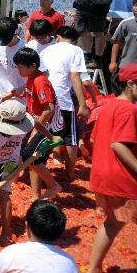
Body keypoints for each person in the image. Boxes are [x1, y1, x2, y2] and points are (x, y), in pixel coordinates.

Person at [87, 64, 137, 273]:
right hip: (124, 179)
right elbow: (118, 144)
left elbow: (93, 138)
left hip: (102, 176)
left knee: (112, 222)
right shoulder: (130, 110)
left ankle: (93, 268)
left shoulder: (108, 105)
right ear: (130, 85)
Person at [5, 47, 64, 199]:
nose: (18, 69)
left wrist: (37, 130)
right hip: (35, 122)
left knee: (30, 154)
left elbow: (49, 109)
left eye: (20, 66)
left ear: (32, 66)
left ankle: (53, 185)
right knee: (32, 157)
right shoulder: (31, 78)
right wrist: (11, 94)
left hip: (46, 126)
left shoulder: (40, 81)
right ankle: (35, 196)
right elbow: (25, 90)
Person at [0, 100, 35, 240]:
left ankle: (6, 232)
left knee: (3, 194)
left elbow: (37, 124)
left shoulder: (25, 125)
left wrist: (50, 136)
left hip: (10, 160)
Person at [39, 26, 90, 181]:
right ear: (73, 40)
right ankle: (70, 174)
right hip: (64, 98)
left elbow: (41, 73)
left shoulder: (46, 50)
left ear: (58, 37)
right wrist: (82, 104)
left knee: (42, 135)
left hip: (46, 98)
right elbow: (75, 76)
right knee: (70, 137)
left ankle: (38, 172)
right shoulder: (76, 50)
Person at [110, 0, 137, 72]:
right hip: (127, 64)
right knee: (128, 84)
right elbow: (116, 43)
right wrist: (113, 62)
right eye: (135, 5)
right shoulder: (125, 23)